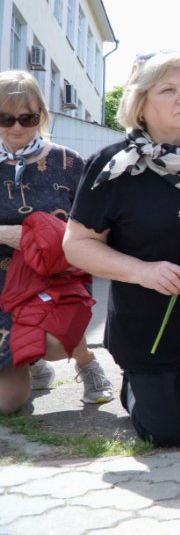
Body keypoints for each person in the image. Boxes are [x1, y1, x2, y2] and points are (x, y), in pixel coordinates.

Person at [63, 52, 180, 447]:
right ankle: (137, 384)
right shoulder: (113, 167)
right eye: (168, 90)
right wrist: (142, 271)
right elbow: (77, 246)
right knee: (168, 433)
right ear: (141, 105)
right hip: (152, 323)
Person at [0, 70, 113, 413]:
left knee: (53, 338)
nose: (16, 127)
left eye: (27, 118)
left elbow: (93, 225)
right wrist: (5, 233)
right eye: (5, 118)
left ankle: (86, 362)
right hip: (2, 285)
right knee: (5, 405)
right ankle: (32, 365)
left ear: (42, 115)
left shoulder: (69, 162)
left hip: (54, 279)